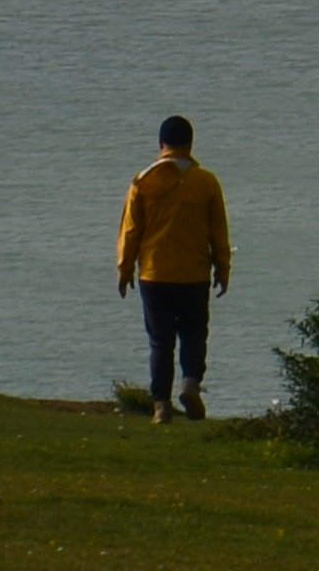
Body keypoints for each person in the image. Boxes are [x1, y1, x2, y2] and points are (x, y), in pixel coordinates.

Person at [117, 115, 235, 422]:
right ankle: (190, 384)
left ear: (160, 145)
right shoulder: (207, 182)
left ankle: (160, 406)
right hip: (194, 274)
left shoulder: (142, 183)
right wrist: (223, 269)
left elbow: (131, 231)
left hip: (154, 274)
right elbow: (218, 232)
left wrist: (124, 269)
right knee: (194, 334)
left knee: (160, 341)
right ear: (190, 145)